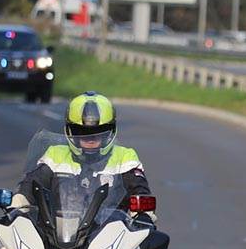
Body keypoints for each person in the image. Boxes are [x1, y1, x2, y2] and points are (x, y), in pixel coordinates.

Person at [12, 91, 155, 228]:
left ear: (110, 132)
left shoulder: (125, 157)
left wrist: (143, 215)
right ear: (70, 131)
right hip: (57, 236)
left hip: (113, 240)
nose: (90, 139)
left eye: (98, 133)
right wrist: (16, 208)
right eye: (81, 132)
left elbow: (140, 192)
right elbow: (29, 186)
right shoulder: (54, 155)